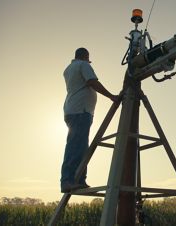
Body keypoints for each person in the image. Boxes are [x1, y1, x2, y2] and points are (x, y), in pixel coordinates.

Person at [61, 47, 118, 193]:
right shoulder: (83, 65)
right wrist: (111, 96)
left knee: (80, 146)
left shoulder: (68, 69)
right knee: (76, 146)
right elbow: (92, 82)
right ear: (86, 57)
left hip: (74, 110)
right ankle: (68, 181)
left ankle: (79, 179)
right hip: (80, 110)